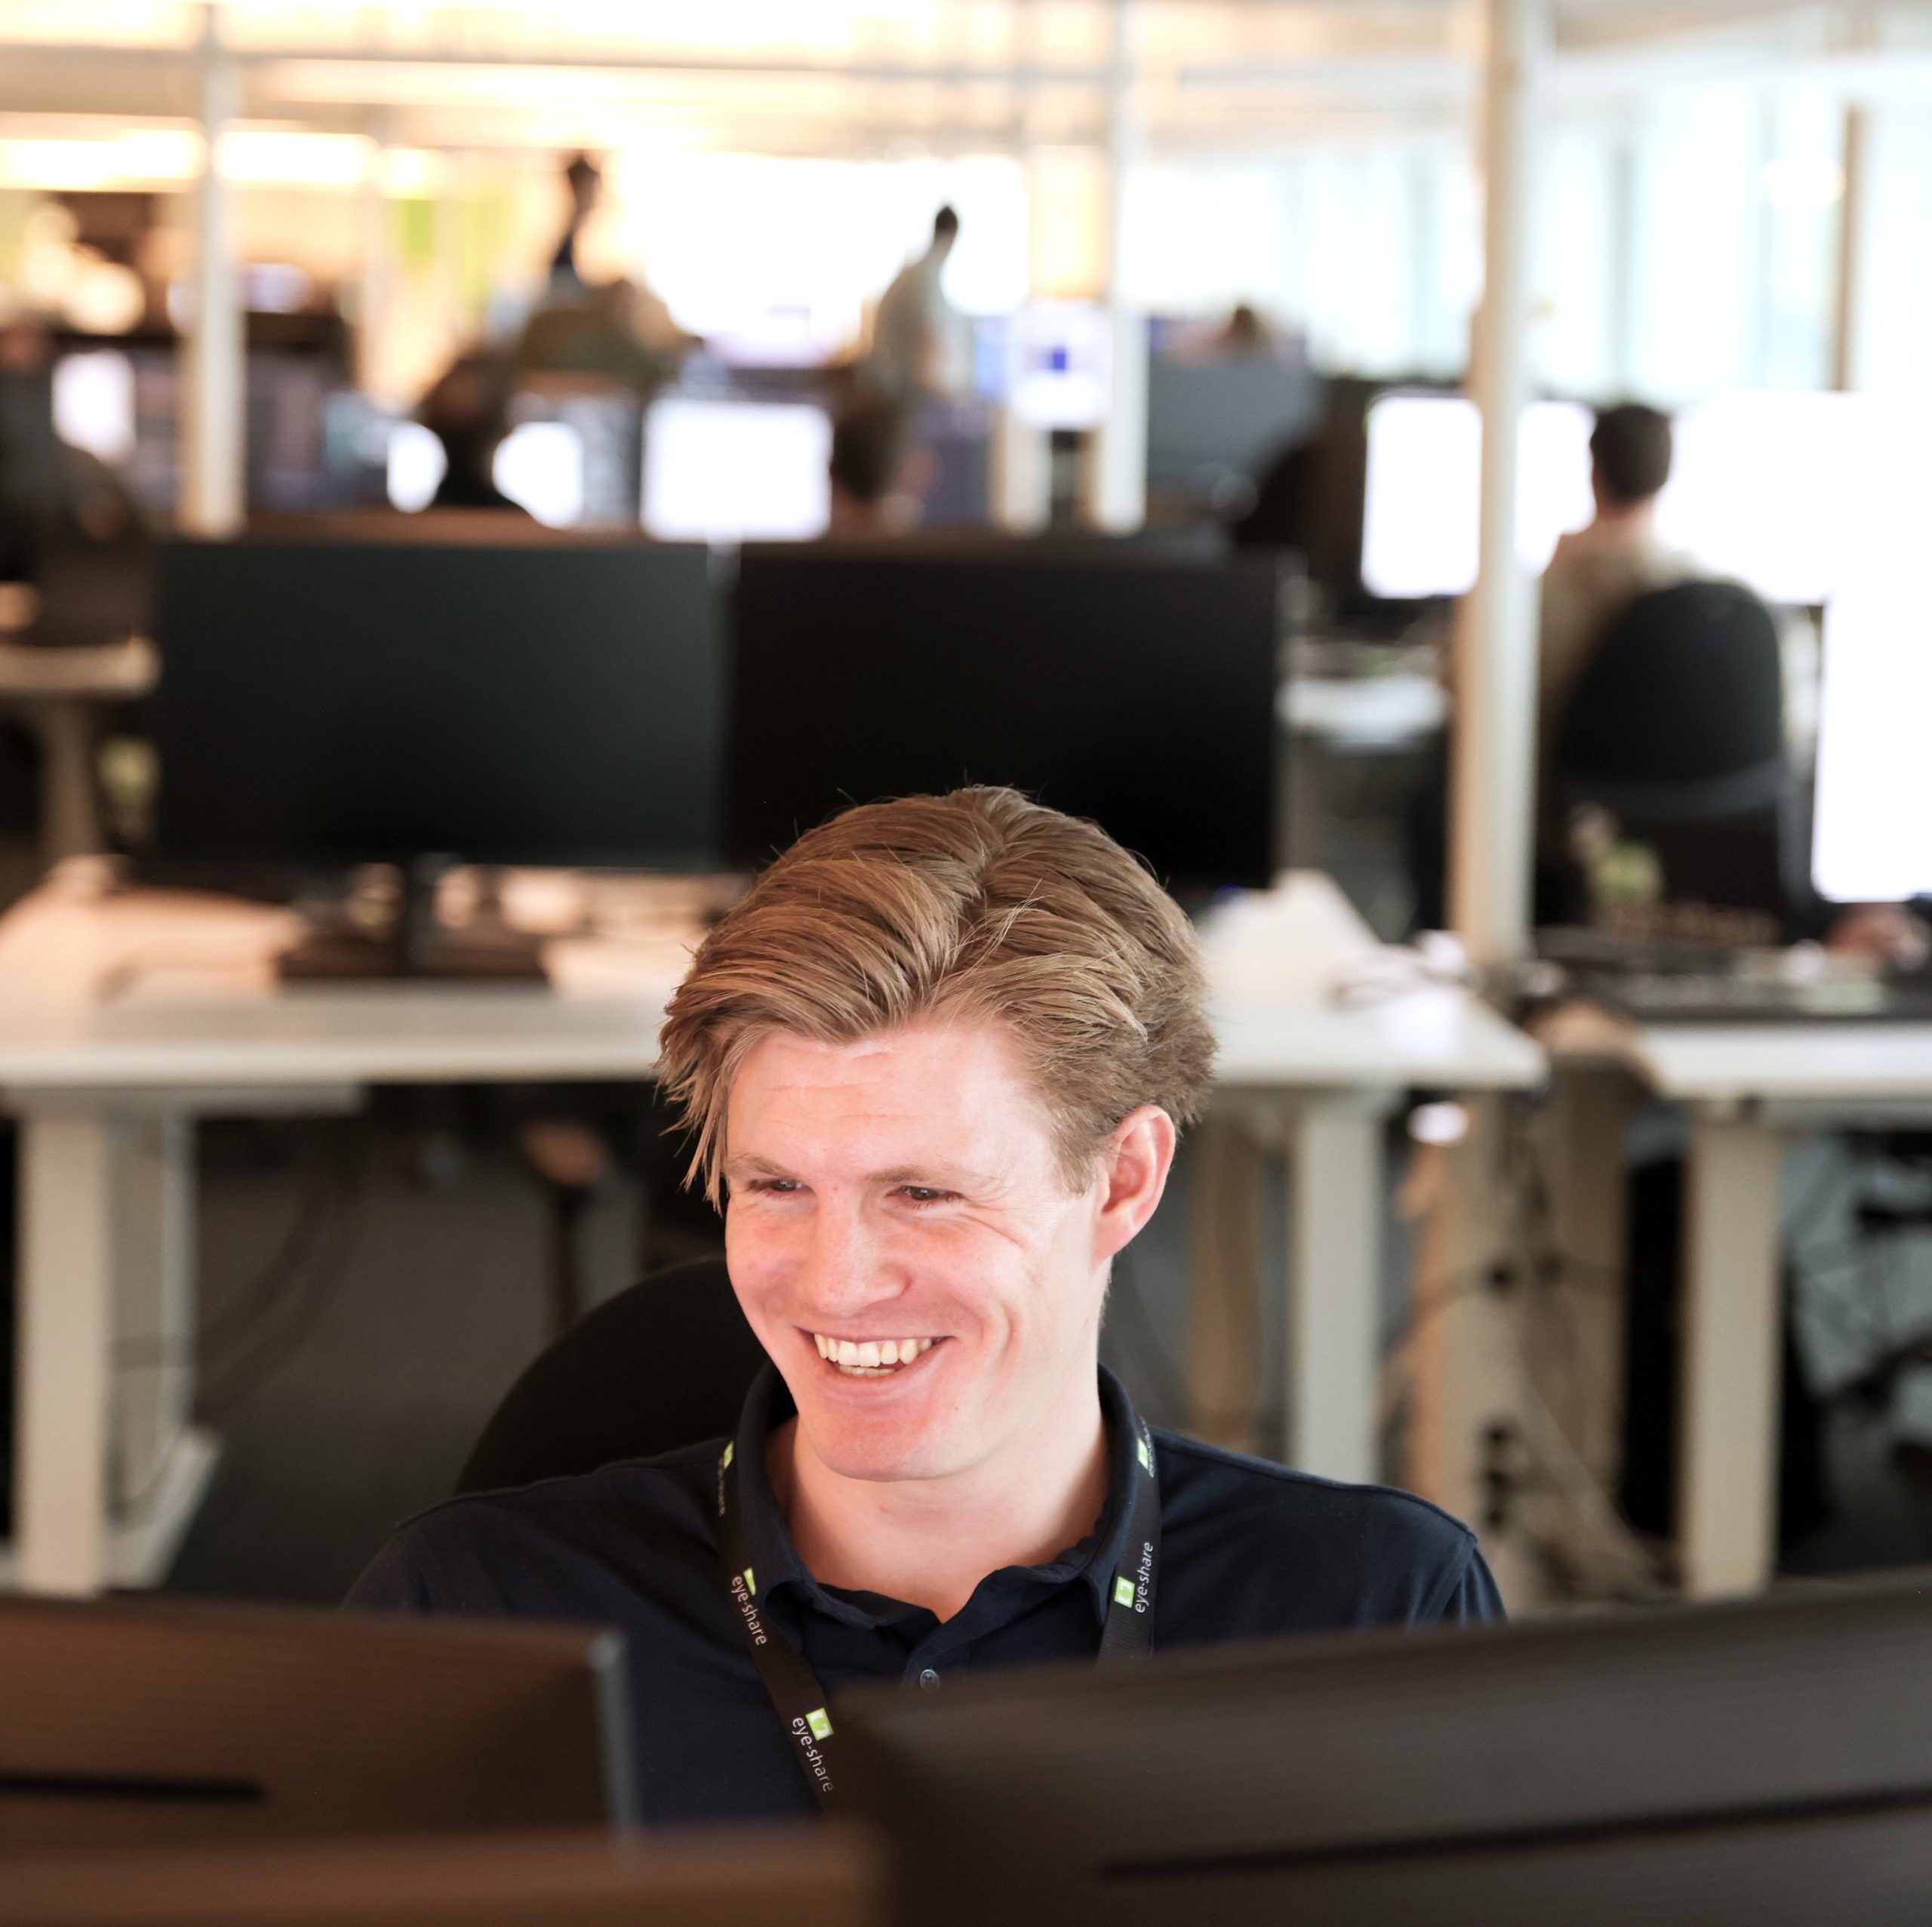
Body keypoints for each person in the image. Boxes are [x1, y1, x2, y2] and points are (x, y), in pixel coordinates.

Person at [348, 788, 1503, 1824]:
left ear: (1124, 1180)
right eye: (778, 1186)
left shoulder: (1371, 1611)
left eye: (925, 1193)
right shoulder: (477, 1610)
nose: (837, 1279)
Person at [861, 205, 961, 404]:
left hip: (889, 388)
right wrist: (946, 397)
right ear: (954, 234)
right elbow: (927, 345)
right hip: (898, 395)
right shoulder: (925, 279)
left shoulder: (913, 274)